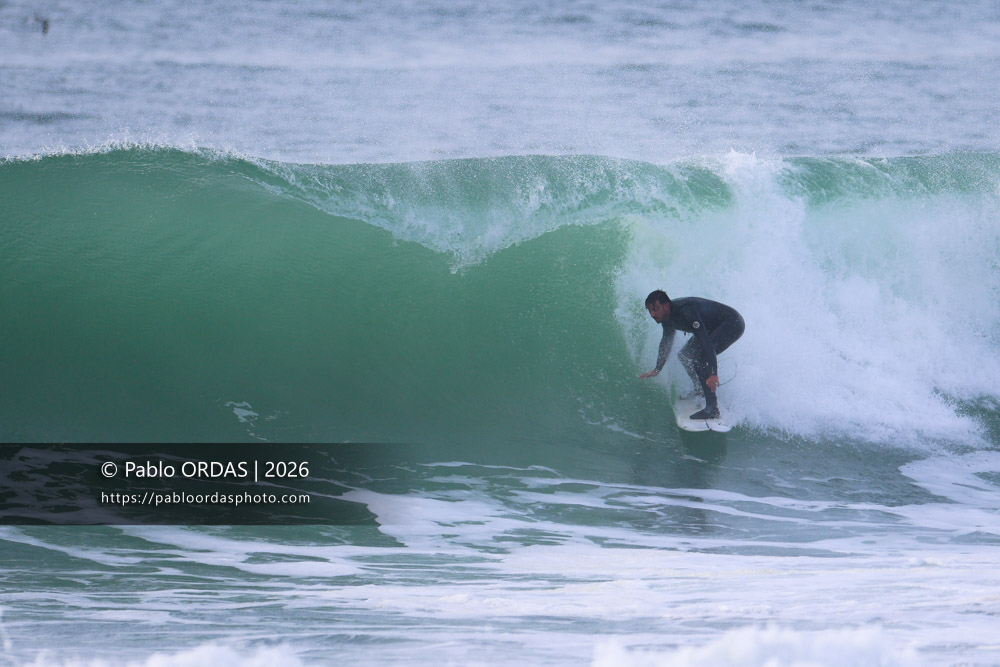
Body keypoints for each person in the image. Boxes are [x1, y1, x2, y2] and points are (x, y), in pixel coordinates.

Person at [639, 290, 745, 420]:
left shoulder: (686, 311)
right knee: (685, 355)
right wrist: (657, 368)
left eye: (655, 309)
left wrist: (713, 373)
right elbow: (666, 341)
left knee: (700, 358)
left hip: (732, 323)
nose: (652, 314)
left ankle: (712, 409)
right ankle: (700, 390)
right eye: (650, 310)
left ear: (666, 305)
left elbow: (707, 344)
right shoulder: (666, 319)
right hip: (711, 327)